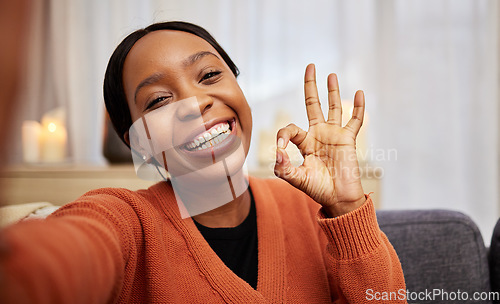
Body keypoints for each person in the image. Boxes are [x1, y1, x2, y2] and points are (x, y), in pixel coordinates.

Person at [1, 21, 406, 303]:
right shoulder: (125, 220)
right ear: (137, 143)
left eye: (210, 75)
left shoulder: (311, 211)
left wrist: (349, 210)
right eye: (159, 100)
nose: (195, 104)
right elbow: (69, 254)